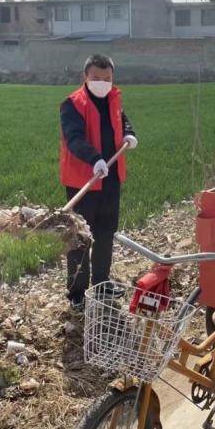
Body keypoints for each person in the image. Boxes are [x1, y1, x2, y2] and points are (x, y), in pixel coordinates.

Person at [60, 54, 137, 310]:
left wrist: (129, 133)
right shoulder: (72, 104)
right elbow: (73, 138)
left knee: (105, 233)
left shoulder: (114, 98)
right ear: (85, 77)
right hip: (84, 180)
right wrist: (94, 159)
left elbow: (122, 119)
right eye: (97, 78)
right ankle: (77, 293)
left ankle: (102, 283)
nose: (102, 83)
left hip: (111, 178)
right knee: (80, 238)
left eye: (107, 78)